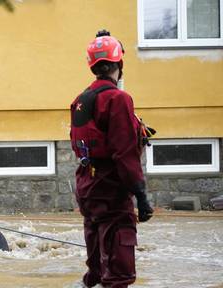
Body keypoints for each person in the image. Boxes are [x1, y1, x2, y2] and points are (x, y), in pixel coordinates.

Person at [69, 30, 154, 288]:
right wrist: (141, 196)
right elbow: (124, 154)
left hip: (88, 186)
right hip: (111, 188)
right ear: (120, 63)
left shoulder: (81, 99)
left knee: (96, 261)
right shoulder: (118, 98)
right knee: (118, 266)